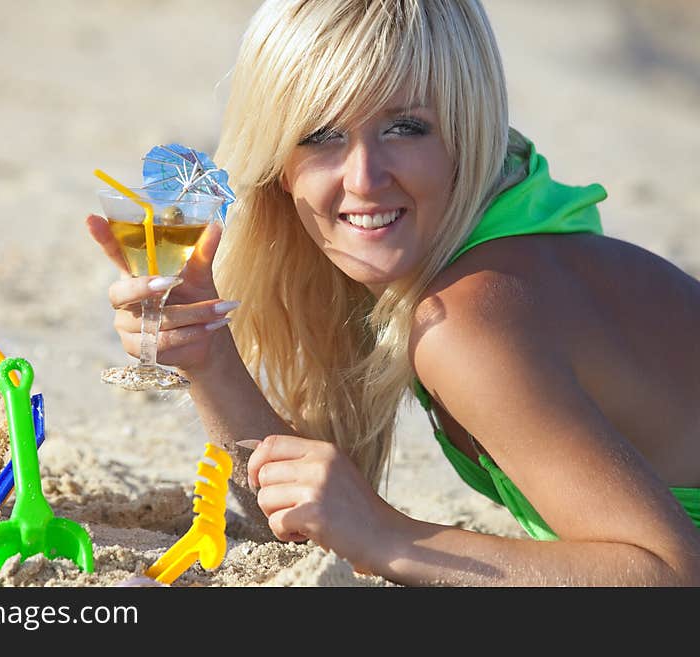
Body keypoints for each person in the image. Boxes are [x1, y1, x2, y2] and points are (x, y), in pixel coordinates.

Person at [86, 0, 700, 586]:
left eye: (406, 127)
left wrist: (392, 537)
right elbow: (308, 517)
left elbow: (670, 579)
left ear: (467, 131)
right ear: (279, 166)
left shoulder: (467, 319)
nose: (365, 178)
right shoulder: (486, 236)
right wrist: (209, 358)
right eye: (321, 134)